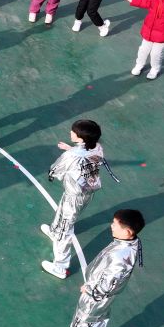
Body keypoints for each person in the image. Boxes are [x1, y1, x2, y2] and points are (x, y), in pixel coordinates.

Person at [58, 209, 145, 327]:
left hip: (96, 299)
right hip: (103, 300)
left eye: (115, 224)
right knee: (96, 324)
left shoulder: (121, 256)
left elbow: (109, 283)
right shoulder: (128, 244)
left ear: (128, 231)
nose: (111, 226)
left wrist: (90, 290)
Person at [40, 120, 114, 280]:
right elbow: (84, 154)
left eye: (74, 132)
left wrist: (52, 173)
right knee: (62, 212)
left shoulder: (71, 156)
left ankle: (60, 267)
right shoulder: (97, 147)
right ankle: (54, 231)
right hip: (87, 193)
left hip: (74, 195)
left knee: (65, 230)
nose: (71, 132)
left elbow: (55, 169)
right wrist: (71, 148)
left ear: (81, 138)